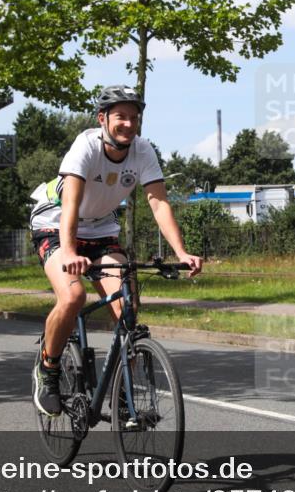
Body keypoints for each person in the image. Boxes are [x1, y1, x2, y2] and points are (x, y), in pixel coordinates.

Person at [28, 85, 202, 416]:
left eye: (134, 118)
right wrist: (68, 252)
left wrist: (181, 251)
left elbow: (159, 201)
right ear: (103, 119)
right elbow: (71, 203)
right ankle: (47, 370)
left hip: (101, 229)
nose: (128, 124)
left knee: (129, 313)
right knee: (72, 297)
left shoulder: (143, 150)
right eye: (120, 116)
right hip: (55, 223)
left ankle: (124, 400)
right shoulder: (86, 145)